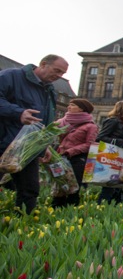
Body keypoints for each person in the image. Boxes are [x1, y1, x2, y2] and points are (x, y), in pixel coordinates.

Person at [0, 54, 69, 214]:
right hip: (4, 141)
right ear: (43, 64)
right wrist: (18, 113)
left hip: (28, 147)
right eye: (57, 71)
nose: (59, 76)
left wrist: (44, 146)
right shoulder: (12, 76)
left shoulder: (49, 90)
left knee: (30, 189)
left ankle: (22, 224)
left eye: (62, 74)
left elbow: (44, 122)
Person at [51, 98, 97, 207]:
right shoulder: (61, 122)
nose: (68, 107)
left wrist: (69, 151)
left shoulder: (91, 126)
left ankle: (71, 213)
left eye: (72, 105)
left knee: (73, 188)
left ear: (81, 109)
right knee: (59, 186)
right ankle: (55, 210)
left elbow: (90, 144)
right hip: (59, 158)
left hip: (77, 160)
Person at [96, 100, 123, 204]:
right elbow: (100, 138)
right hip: (111, 159)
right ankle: (101, 209)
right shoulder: (113, 121)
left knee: (117, 188)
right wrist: (122, 142)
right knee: (109, 188)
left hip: (119, 160)